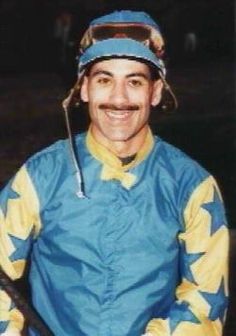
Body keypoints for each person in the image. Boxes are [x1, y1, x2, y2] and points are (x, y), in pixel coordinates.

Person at [0, 10, 229, 336]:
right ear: (83, 90)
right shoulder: (40, 176)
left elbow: (206, 302)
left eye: (134, 82)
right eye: (104, 80)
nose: (118, 99)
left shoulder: (193, 187)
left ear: (155, 92)